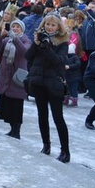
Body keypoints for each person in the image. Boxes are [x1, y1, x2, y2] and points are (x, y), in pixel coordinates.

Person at [25, 14, 71, 163]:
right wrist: (37, 44)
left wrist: (47, 47)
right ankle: (46, 144)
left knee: (58, 117)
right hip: (38, 82)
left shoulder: (63, 42)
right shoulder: (39, 38)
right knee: (42, 115)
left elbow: (59, 62)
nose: (49, 27)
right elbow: (28, 56)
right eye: (47, 24)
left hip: (54, 84)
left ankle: (65, 151)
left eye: (53, 25)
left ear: (58, 27)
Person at [0, 19, 30, 139]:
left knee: (16, 105)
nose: (15, 29)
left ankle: (16, 130)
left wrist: (15, 39)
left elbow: (24, 51)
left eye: (17, 27)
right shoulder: (7, 40)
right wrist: (0, 36)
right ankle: (12, 128)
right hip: (6, 76)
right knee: (7, 105)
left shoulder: (26, 40)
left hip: (17, 76)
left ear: (22, 29)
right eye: (13, 27)